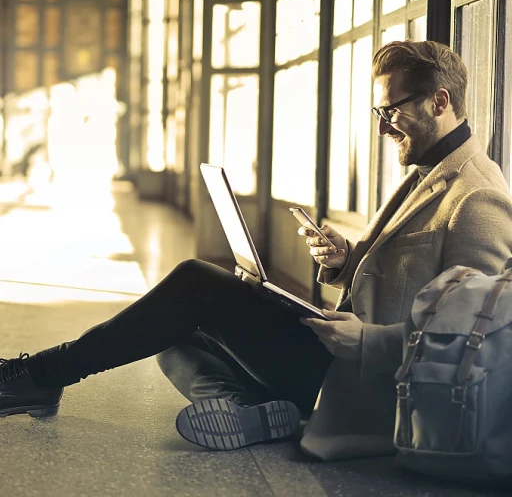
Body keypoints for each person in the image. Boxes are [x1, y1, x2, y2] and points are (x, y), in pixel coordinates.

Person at [2, 40, 512, 455]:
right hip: (337, 354)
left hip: (369, 380)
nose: (381, 127)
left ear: (439, 102)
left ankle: (43, 374)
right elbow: (417, 279)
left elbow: (480, 339)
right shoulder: (431, 169)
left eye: (390, 110)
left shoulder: (478, 195)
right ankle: (254, 413)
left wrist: (371, 342)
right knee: (171, 333)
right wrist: (348, 260)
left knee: (194, 284)